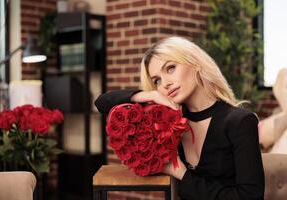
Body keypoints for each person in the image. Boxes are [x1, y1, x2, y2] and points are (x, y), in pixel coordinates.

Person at [95, 36, 265, 200]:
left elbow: (250, 196)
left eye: (170, 68)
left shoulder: (240, 122)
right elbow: (102, 103)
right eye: (157, 81)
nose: (165, 84)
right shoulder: (167, 122)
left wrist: (181, 173)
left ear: (195, 63)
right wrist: (147, 95)